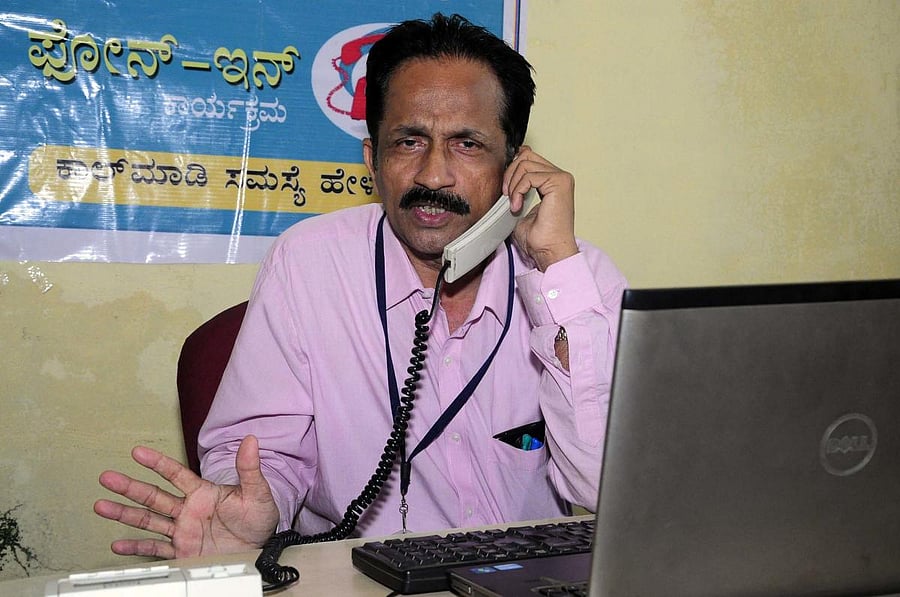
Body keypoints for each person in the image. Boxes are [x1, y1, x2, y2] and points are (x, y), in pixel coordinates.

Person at [93, 12, 627, 560]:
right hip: (364, 580)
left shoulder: (575, 280)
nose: (433, 175)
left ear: (514, 165)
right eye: (409, 142)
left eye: (467, 144)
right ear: (373, 159)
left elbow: (603, 489)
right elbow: (263, 455)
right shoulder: (309, 263)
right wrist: (256, 505)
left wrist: (555, 268)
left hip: (530, 577)